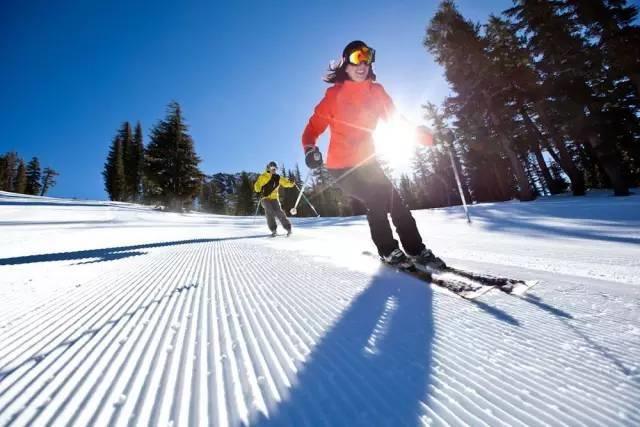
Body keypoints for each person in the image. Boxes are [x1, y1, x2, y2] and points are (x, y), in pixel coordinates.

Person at [301, 40, 446, 269]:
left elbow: (397, 122)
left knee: (396, 202)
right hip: (341, 168)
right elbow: (311, 130)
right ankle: (388, 251)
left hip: (368, 164)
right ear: (345, 65)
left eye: (367, 58)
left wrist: (429, 137)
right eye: (358, 58)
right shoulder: (333, 96)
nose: (363, 64)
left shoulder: (377, 92)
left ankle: (416, 249)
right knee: (376, 199)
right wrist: (310, 150)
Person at [254, 161, 295, 237]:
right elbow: (257, 185)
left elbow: (286, 183)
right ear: (269, 168)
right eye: (272, 168)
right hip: (264, 198)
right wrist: (258, 190)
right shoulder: (263, 176)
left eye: (275, 169)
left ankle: (288, 228)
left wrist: (291, 183)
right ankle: (273, 229)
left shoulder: (278, 177)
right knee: (269, 210)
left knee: (279, 212)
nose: (274, 170)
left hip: (274, 198)